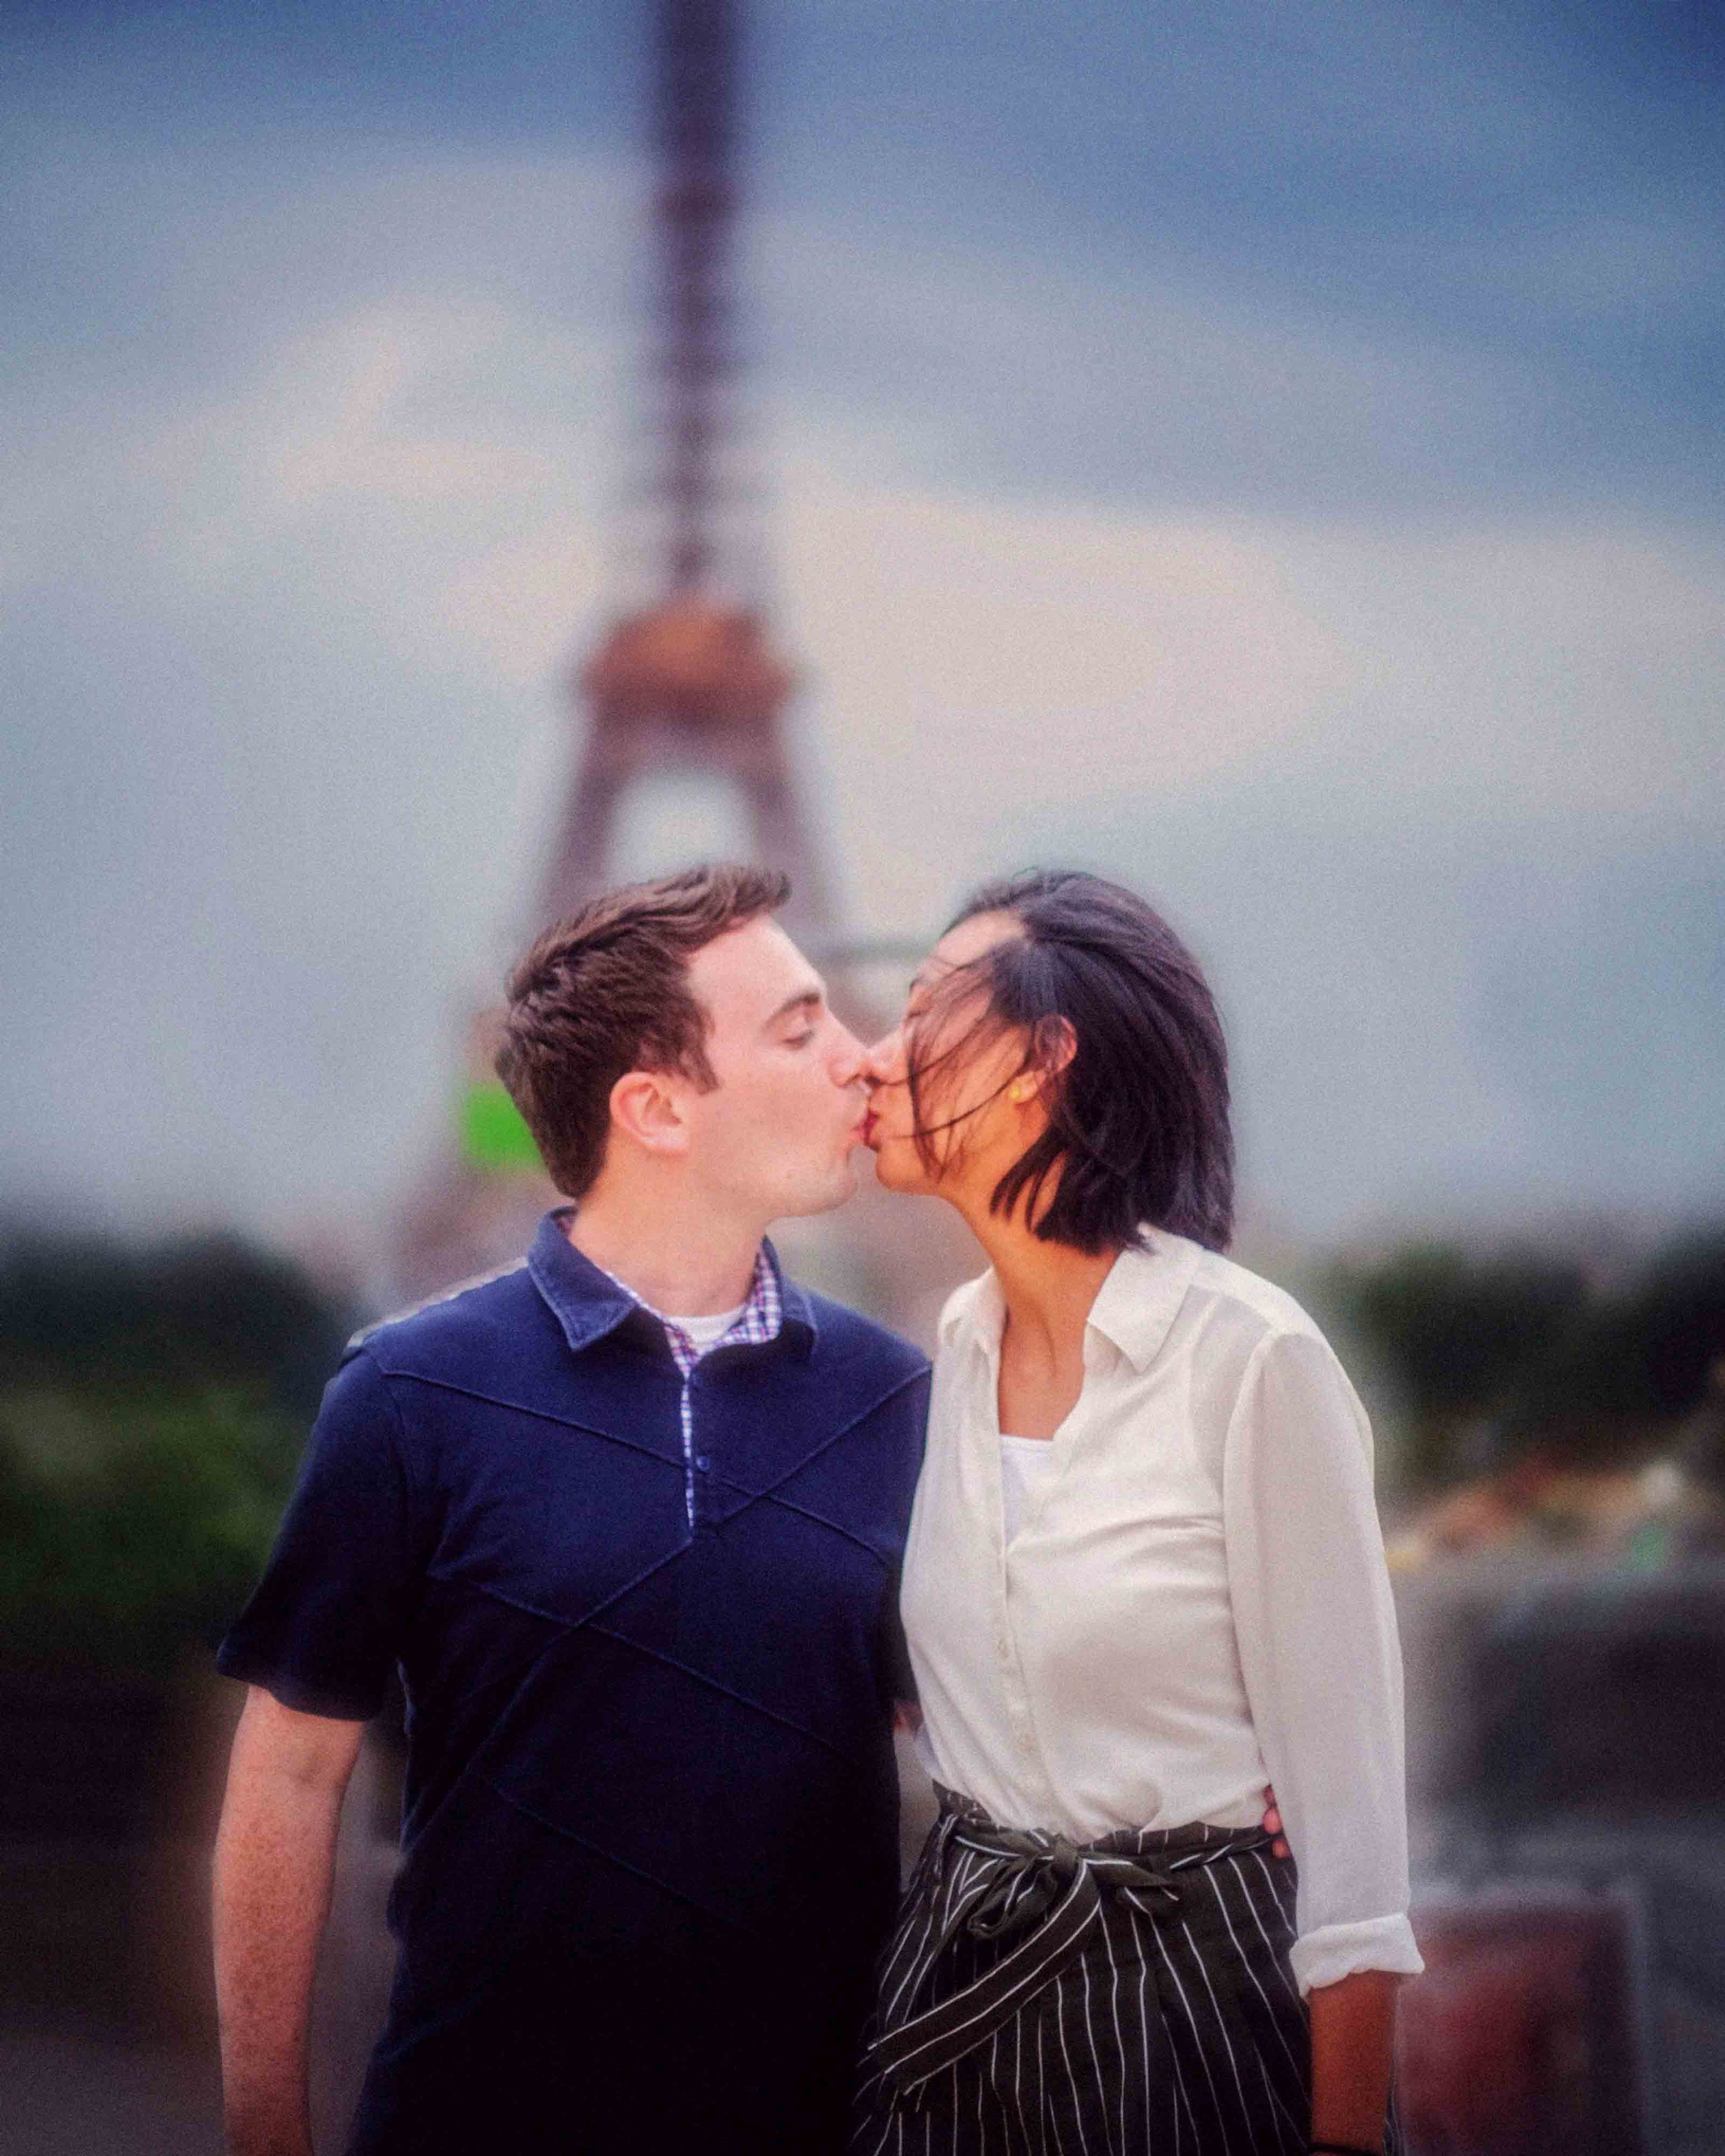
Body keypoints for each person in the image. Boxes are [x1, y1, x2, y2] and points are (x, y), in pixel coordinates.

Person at [210, 864, 931, 2156]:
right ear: (655, 1107)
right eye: (799, 1025)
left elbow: (981, 1734)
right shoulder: (408, 1392)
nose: (863, 1057)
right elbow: (288, 1769)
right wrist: (266, 2131)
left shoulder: (902, 1399)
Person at [853, 869, 1422, 2156]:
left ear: (1041, 1060)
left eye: (924, 1009)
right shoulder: (960, 1342)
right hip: (963, 2011)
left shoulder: (1254, 1360)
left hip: (1194, 2023)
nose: (872, 1061)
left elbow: (1352, 1852)